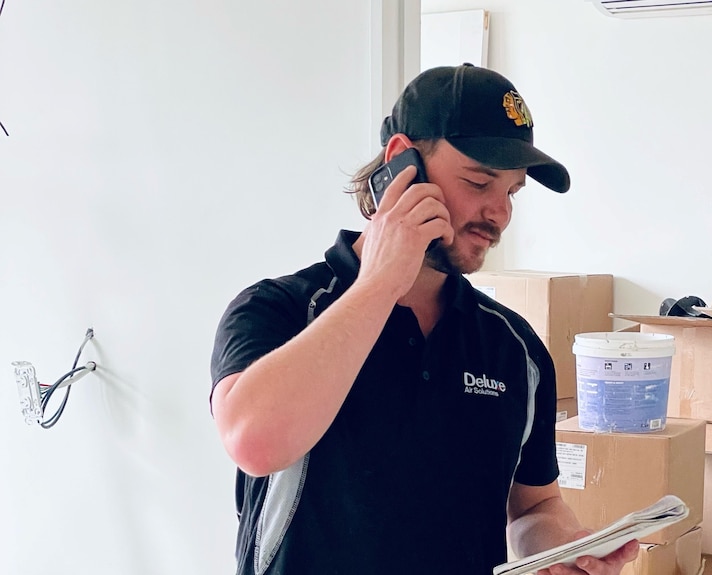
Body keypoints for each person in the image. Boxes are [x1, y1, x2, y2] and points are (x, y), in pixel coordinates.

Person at [209, 63, 638, 575]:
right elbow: (253, 443)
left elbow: (533, 506)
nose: (499, 213)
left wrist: (566, 547)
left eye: (511, 193)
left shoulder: (514, 349)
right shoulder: (281, 310)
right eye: (479, 182)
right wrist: (380, 284)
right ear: (402, 164)